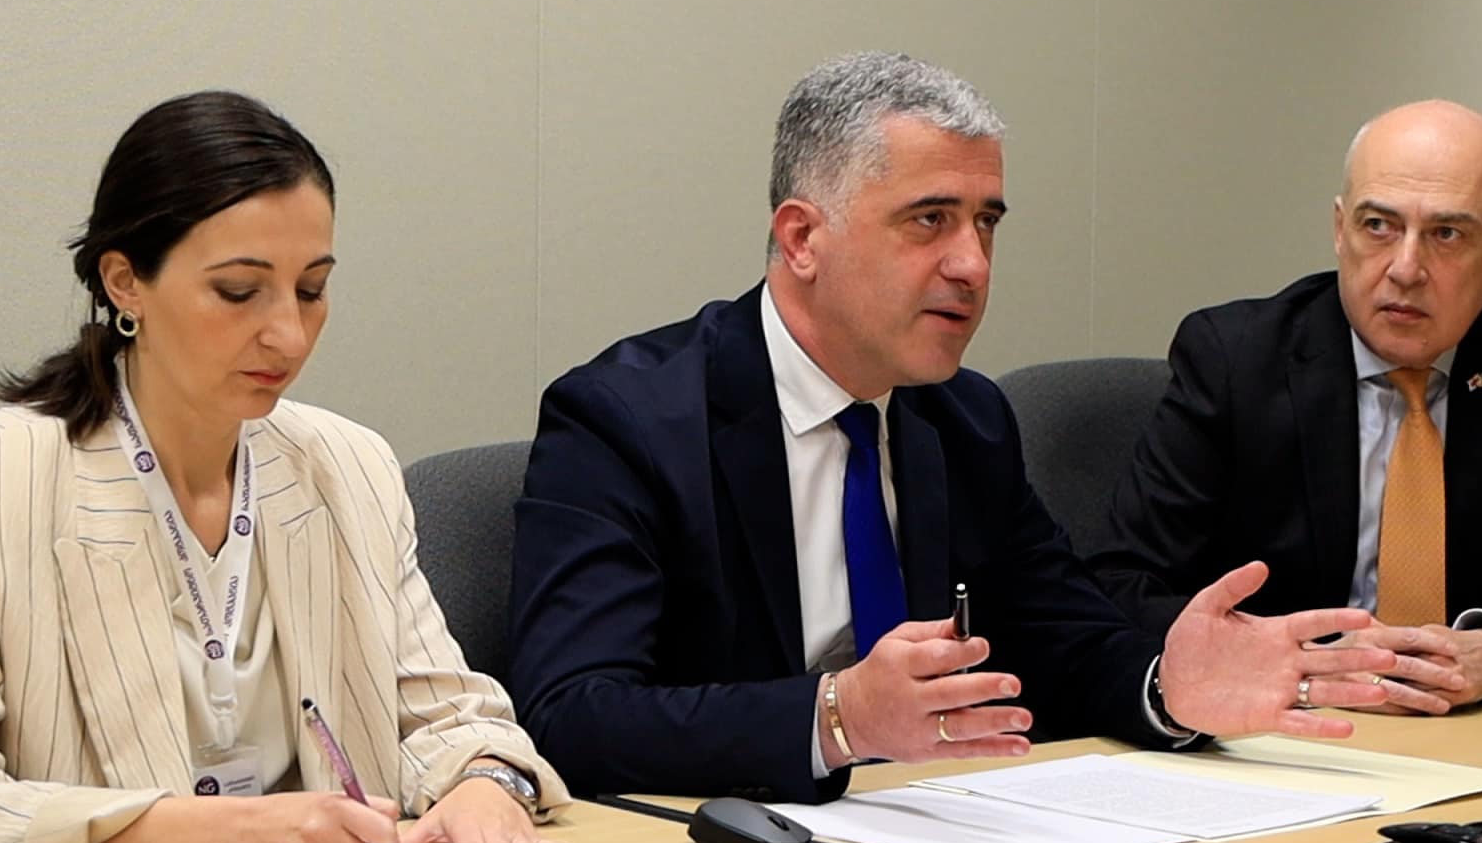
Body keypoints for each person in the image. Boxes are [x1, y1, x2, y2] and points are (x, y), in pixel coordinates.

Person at [506, 52, 1395, 804]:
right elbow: (571, 715)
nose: (972, 264)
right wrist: (836, 719)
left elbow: (1066, 640)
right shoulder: (628, 421)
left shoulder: (964, 418)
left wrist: (1169, 688)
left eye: (986, 223)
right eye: (929, 220)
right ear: (803, 238)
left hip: (934, 836)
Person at [0, 91, 581, 843]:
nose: (289, 335)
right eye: (239, 292)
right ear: (125, 282)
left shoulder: (349, 467)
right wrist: (233, 835)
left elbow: (455, 719)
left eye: (311, 289)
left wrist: (485, 784)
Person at [1091, 100, 1482, 714]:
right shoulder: (1234, 360)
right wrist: (1304, 659)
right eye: (1378, 226)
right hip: (1276, 727)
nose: (1406, 269)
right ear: (1340, 229)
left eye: (1447, 234)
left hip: (1463, 729)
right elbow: (1119, 582)